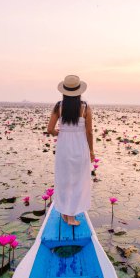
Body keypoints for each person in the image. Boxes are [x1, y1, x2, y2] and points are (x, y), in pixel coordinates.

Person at [47, 75, 95, 226]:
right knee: (78, 181)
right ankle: (71, 217)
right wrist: (91, 151)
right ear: (79, 91)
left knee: (64, 179)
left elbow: (50, 129)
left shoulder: (58, 106)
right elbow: (89, 132)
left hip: (63, 148)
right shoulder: (86, 107)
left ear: (64, 91)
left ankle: (64, 212)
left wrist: (60, 133)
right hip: (80, 147)